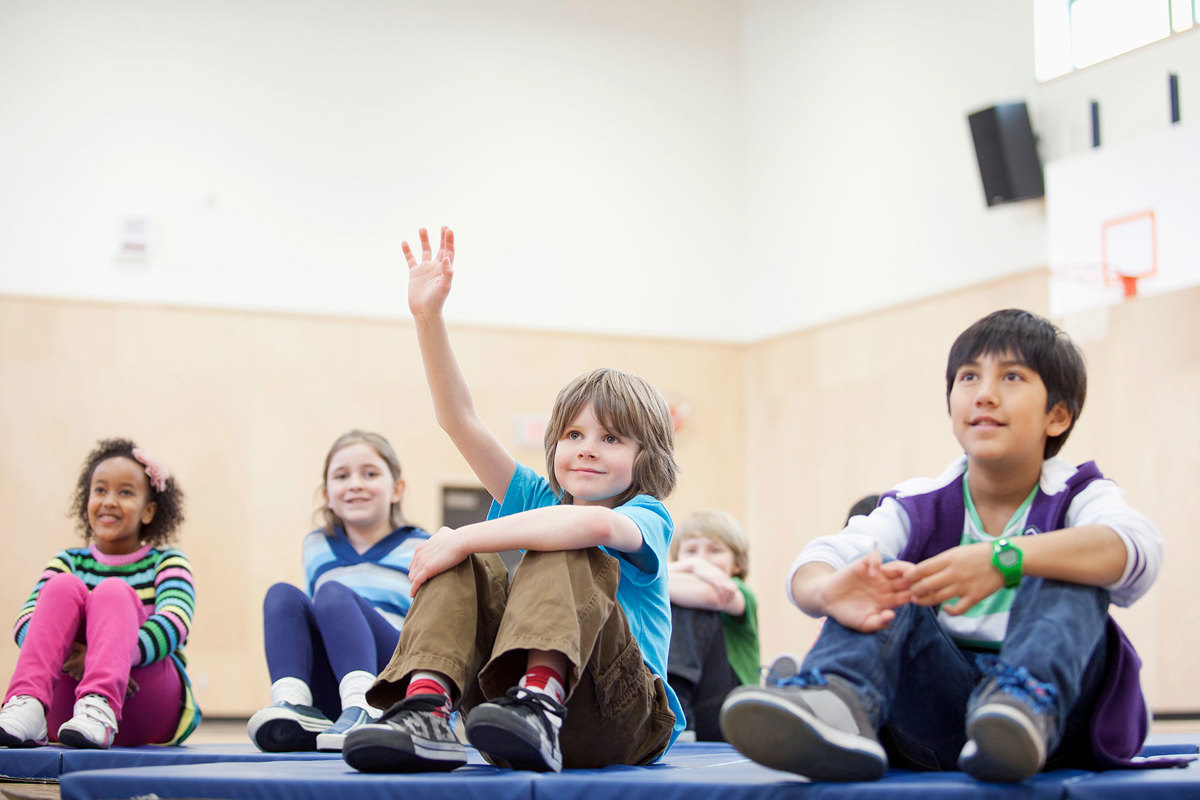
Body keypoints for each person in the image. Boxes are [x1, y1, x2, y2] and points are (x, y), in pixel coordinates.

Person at [720, 308, 1182, 782]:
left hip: (1059, 724)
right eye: (968, 377)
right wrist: (828, 591)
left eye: (1012, 376)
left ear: (1057, 416)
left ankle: (1021, 707)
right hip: (943, 722)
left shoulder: (1081, 494)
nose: (984, 394)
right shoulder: (917, 503)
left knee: (1072, 561)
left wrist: (1005, 559)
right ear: (951, 406)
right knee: (879, 577)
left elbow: (1137, 549)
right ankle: (837, 706)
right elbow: (821, 559)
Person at [341, 226, 684, 774]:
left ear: (646, 458)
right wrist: (428, 319)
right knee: (469, 557)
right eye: (574, 435)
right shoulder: (537, 494)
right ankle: (427, 707)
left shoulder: (647, 516)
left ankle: (542, 699)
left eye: (610, 438)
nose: (587, 450)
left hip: (621, 719)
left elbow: (587, 529)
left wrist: (462, 535)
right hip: (501, 716)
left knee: (561, 535)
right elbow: (459, 419)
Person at [0, 439, 196, 749]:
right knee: (61, 587)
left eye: (125, 492)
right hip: (66, 710)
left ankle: (101, 704)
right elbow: (25, 623)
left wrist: (106, 657)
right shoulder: (67, 562)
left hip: (144, 700)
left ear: (148, 511)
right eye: (100, 490)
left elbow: (175, 623)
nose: (109, 501)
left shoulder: (167, 562)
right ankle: (27, 702)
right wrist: (77, 655)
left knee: (113, 592)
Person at [247, 430, 431, 753]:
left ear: (396, 489)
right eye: (342, 476)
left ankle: (365, 707)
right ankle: (296, 705)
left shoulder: (421, 546)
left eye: (370, 474)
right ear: (327, 495)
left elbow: (433, 632)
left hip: (393, 678)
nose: (355, 484)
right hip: (336, 682)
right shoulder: (316, 546)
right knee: (282, 595)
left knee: (332, 594)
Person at [666, 509, 759, 741]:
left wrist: (692, 567)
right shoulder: (679, 581)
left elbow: (713, 596)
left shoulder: (740, 590)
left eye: (715, 550)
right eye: (691, 551)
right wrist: (694, 567)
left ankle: (676, 712)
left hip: (729, 708)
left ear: (737, 564)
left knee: (693, 604)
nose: (702, 559)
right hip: (695, 702)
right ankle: (672, 707)